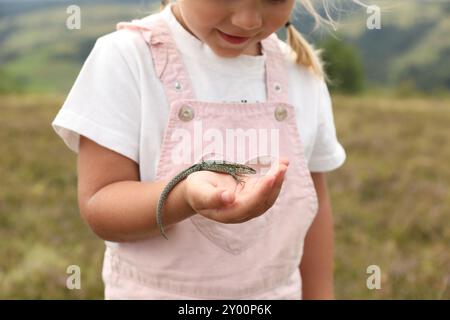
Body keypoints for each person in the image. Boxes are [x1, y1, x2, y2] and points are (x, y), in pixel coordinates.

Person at [51, 0, 347, 299]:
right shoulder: (126, 58)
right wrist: (185, 197)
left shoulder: (301, 73)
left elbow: (314, 203)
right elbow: (101, 206)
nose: (247, 20)